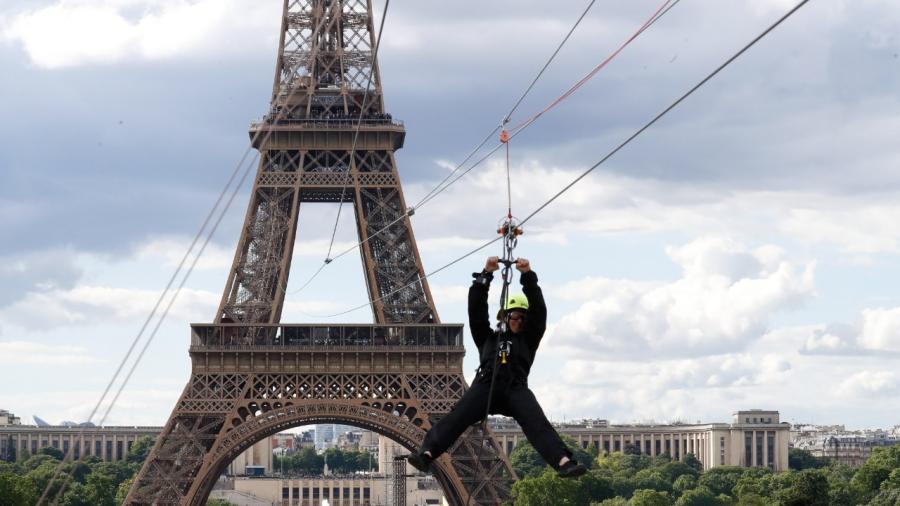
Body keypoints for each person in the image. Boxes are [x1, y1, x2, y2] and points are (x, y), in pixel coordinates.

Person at [407, 256, 587, 478]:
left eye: (523, 318)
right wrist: (485, 276)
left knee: (537, 423)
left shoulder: (529, 339)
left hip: (515, 388)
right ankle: (427, 453)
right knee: (457, 417)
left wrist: (528, 276)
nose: (518, 321)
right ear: (504, 316)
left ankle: (563, 461)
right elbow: (476, 311)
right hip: (486, 385)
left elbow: (540, 311)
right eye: (514, 316)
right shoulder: (487, 338)